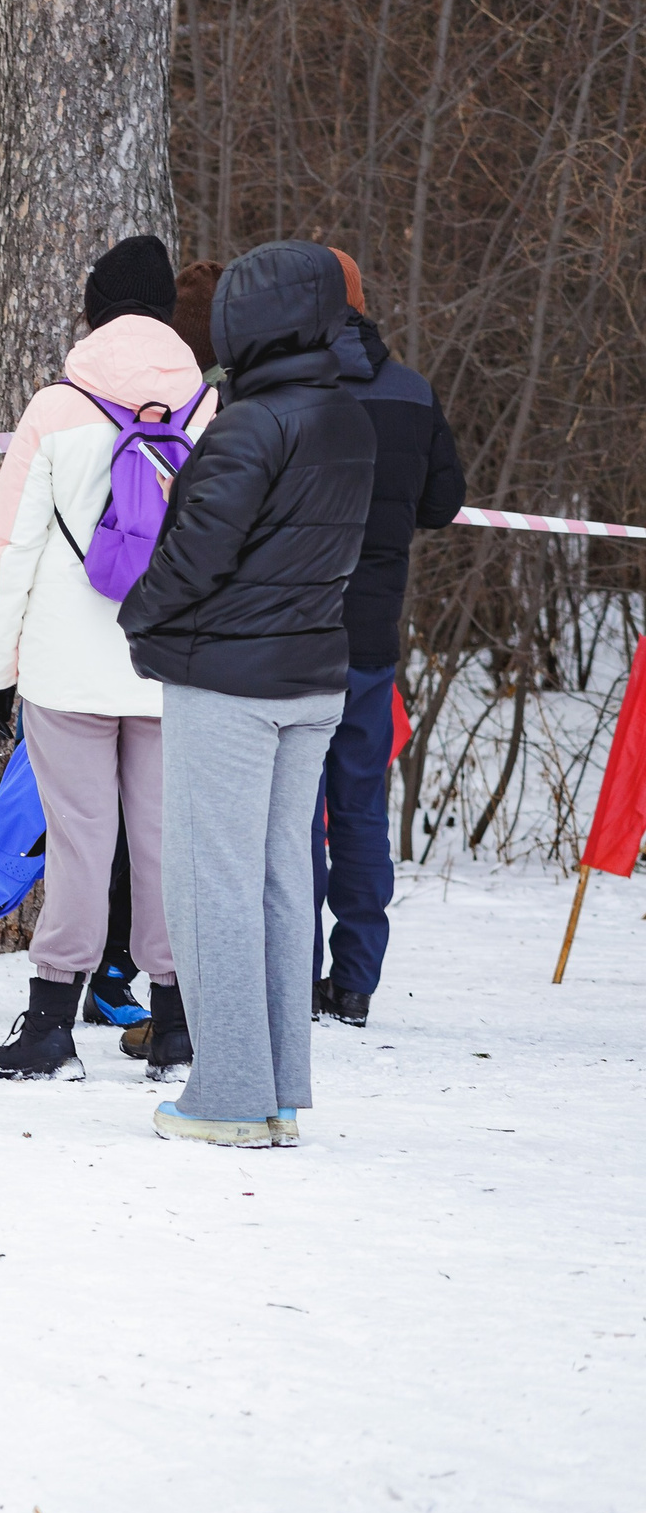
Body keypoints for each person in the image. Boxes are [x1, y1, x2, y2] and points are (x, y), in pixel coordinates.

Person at [118, 240, 375, 1148]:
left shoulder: (251, 424)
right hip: (311, 678)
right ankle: (275, 1090)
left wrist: (137, 615)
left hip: (229, 682)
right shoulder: (347, 417)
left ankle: (227, 1094)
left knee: (210, 883)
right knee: (277, 881)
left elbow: (192, 554)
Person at [0, 235, 208, 1084]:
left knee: (79, 841)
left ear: (96, 306)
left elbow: (12, 552)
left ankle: (48, 1027)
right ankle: (177, 1025)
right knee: (162, 842)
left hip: (65, 669)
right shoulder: (208, 411)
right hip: (170, 667)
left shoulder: (55, 409)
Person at [311, 250, 463, 1027]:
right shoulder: (412, 392)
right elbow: (444, 501)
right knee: (360, 806)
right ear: (364, 303)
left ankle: (295, 971)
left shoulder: (284, 389)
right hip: (371, 635)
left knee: (293, 811)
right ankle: (357, 981)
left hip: (293, 635)